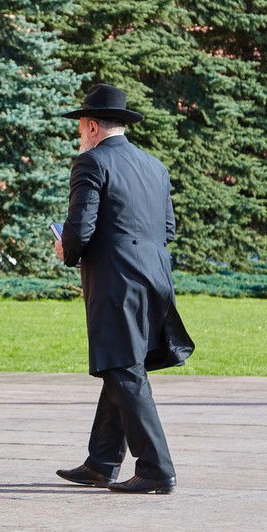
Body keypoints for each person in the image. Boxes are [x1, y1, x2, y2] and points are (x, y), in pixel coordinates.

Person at [54, 84, 194, 494]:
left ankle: (156, 469)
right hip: (156, 278)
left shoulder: (90, 163)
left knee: (122, 368)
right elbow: (167, 229)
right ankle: (101, 463)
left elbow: (80, 229)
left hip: (116, 281)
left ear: (93, 125)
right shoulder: (155, 166)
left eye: (81, 125)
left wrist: (68, 249)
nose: (80, 133)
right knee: (123, 363)